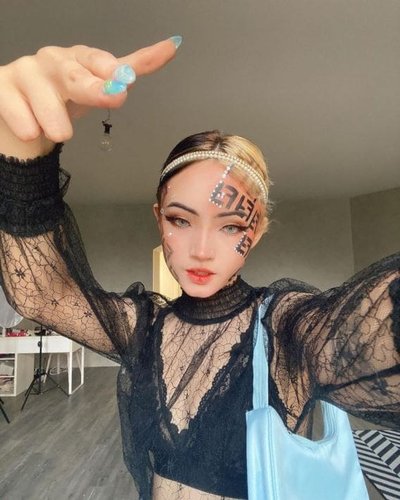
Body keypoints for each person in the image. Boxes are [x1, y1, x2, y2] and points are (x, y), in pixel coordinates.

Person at [0, 39, 399, 500]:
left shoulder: (285, 331)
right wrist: (21, 157)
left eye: (231, 226)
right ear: (159, 219)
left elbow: (363, 335)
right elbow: (41, 295)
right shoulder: (143, 328)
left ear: (257, 230)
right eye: (180, 220)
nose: (202, 250)